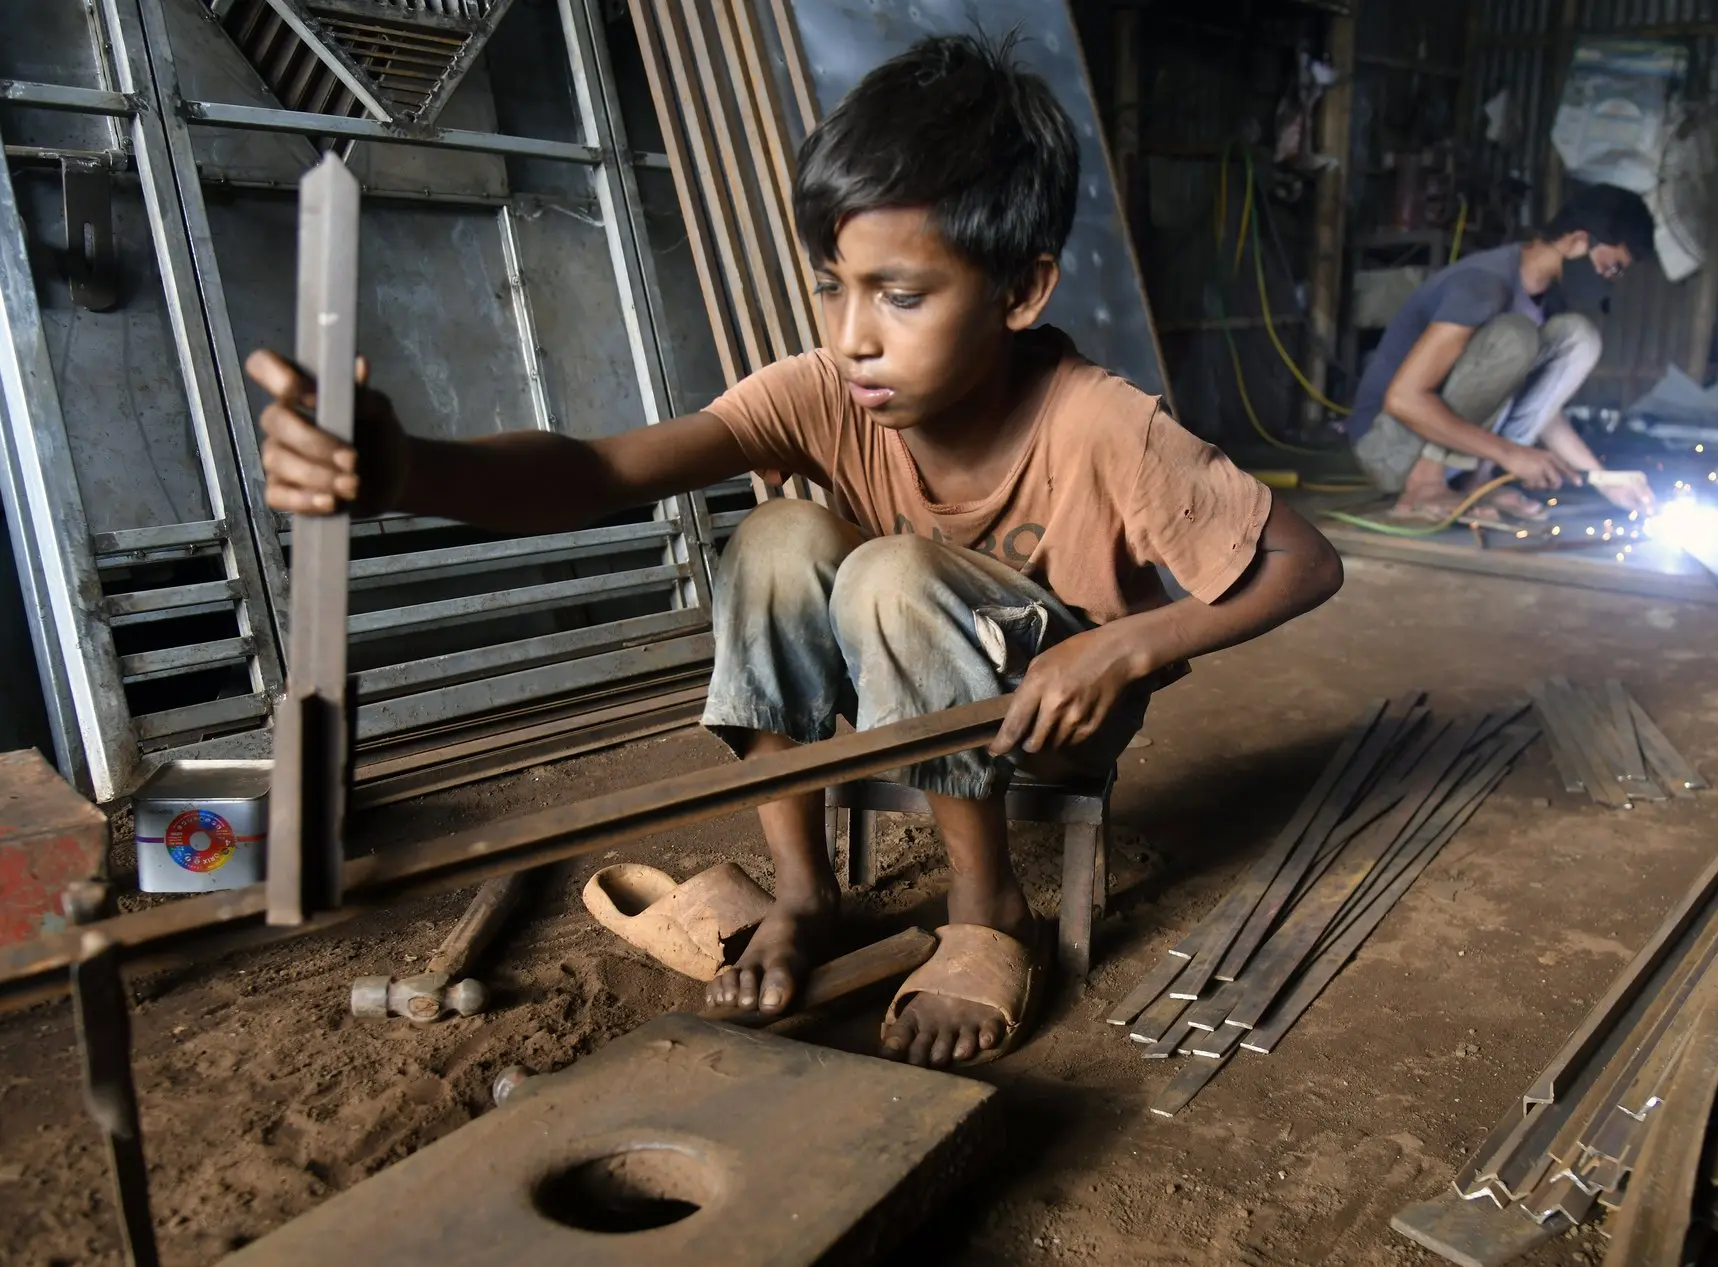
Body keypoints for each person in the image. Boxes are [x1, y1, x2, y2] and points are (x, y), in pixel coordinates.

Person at [247, 34, 1343, 1069]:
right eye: (835, 285)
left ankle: (987, 905)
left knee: (888, 569)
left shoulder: (1102, 421)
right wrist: (406, 472)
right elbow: (600, 470)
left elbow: (1306, 562)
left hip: (1051, 718)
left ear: (1021, 290)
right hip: (897, 692)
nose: (853, 333)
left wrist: (1129, 648)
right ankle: (804, 889)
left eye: (901, 296)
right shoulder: (829, 391)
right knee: (774, 534)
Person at [1347, 184, 1659, 522]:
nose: (1608, 280)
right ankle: (1424, 483)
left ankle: (1480, 481)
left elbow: (1542, 408)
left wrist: (1604, 480)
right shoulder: (1483, 286)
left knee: (1579, 337)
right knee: (1515, 337)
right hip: (1388, 448)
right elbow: (1403, 400)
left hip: (1454, 446)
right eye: (1611, 267)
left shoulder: (1546, 301)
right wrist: (1511, 454)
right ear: (1577, 242)